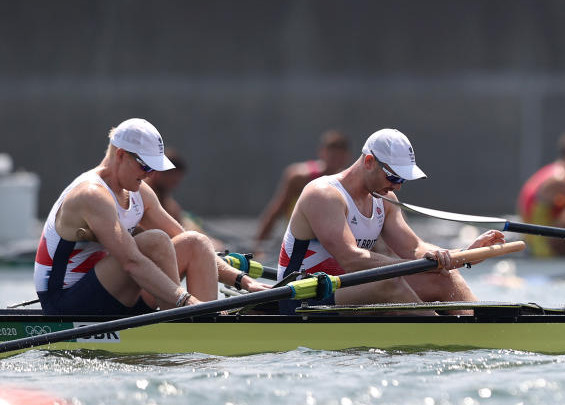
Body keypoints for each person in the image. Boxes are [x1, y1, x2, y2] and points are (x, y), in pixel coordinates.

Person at [33, 118, 267, 315]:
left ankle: (207, 326)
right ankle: (189, 321)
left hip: (111, 294)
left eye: (155, 168)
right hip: (65, 305)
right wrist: (188, 301)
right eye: (146, 166)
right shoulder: (91, 194)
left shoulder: (138, 193)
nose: (150, 175)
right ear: (121, 155)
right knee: (155, 241)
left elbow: (186, 239)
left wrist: (244, 281)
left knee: (195, 241)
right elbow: (131, 262)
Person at [274, 128, 504, 314]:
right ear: (369, 162)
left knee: (445, 278)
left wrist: (461, 256)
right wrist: (411, 268)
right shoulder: (324, 195)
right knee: (391, 283)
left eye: (403, 178)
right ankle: (444, 342)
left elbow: (414, 249)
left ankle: (476, 330)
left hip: (346, 291)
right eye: (393, 176)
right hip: (301, 297)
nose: (398, 185)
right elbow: (351, 258)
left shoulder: (384, 200)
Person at [253, 130, 352, 256]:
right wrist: (258, 245)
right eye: (332, 154)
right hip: (298, 244)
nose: (335, 159)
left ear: (347, 157)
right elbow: (276, 210)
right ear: (322, 152)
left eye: (339, 155)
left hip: (331, 247)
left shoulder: (350, 183)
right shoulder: (299, 177)